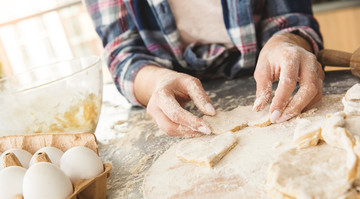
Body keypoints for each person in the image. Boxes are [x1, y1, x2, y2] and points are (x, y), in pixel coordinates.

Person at [84, 0, 324, 137]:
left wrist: (286, 42)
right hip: (177, 98)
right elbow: (123, 54)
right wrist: (156, 82)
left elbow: (292, 16)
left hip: (274, 81)